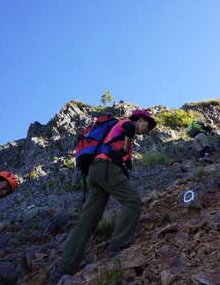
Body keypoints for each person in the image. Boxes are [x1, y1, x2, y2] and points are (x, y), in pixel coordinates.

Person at [49, 110, 157, 284]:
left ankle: (64, 268)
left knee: (88, 221)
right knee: (133, 202)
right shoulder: (124, 123)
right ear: (141, 118)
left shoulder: (115, 130)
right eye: (148, 125)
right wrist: (126, 148)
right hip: (105, 166)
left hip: (94, 172)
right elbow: (129, 127)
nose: (147, 130)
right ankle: (118, 247)